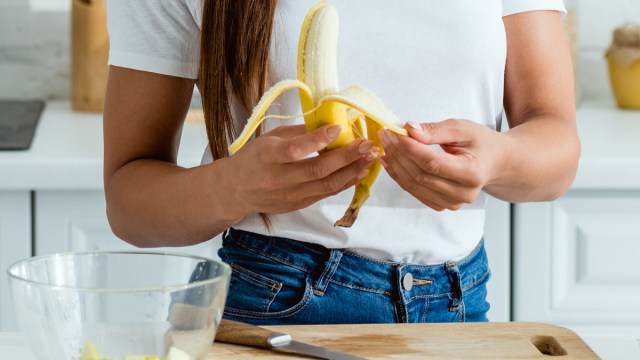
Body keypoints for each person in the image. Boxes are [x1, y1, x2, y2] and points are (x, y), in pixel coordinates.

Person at [104, 0, 580, 325]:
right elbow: (129, 202)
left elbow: (556, 147)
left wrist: (498, 160)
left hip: (457, 302)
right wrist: (232, 187)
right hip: (275, 300)